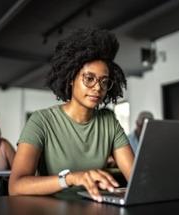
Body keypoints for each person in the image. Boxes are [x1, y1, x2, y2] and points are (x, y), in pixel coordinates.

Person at [9, 28, 134, 202]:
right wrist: (70, 178)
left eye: (104, 82)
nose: (98, 88)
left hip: (94, 208)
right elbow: (16, 186)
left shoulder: (108, 121)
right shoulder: (41, 121)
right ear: (70, 79)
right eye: (89, 78)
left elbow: (136, 179)